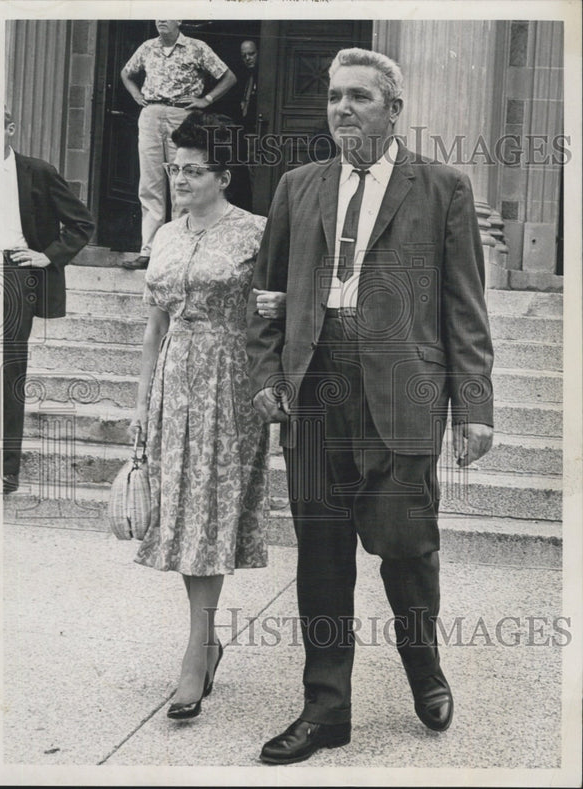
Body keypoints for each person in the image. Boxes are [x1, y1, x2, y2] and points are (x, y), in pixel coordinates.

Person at [246, 48, 494, 764]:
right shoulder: (299, 185)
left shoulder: (441, 187)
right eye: (332, 96)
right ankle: (326, 707)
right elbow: (268, 297)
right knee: (321, 556)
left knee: (407, 551)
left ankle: (425, 667)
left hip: (403, 392)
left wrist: (473, 404)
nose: (341, 108)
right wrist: (269, 370)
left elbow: (465, 306)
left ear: (394, 109)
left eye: (358, 96)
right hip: (316, 389)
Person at [129, 112, 284, 720]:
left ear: (224, 174)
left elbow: (279, 309)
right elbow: (154, 327)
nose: (180, 179)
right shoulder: (165, 235)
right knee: (181, 518)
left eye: (193, 169)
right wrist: (140, 407)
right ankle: (207, 639)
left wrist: (282, 305)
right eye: (174, 167)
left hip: (230, 386)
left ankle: (197, 650)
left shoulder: (256, 233)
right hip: (173, 383)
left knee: (209, 520)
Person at [1, 108, 95, 495]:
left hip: (13, 274)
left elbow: (82, 223)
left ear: (10, 128)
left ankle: (5, 469)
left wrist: (48, 256)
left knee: (7, 370)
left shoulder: (36, 172)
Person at [120, 20, 237, 270]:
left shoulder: (196, 47)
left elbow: (228, 77)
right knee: (150, 183)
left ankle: (181, 248)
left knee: (183, 180)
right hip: (151, 113)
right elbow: (126, 73)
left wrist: (206, 99)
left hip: (181, 114)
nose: (162, 19)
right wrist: (135, 94)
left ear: (180, 20)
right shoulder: (147, 47)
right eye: (158, 13)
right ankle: (148, 251)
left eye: (168, 13)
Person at [239, 40, 258, 134]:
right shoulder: (243, 76)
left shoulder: (266, 77)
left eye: (251, 54)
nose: (247, 58)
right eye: (244, 56)